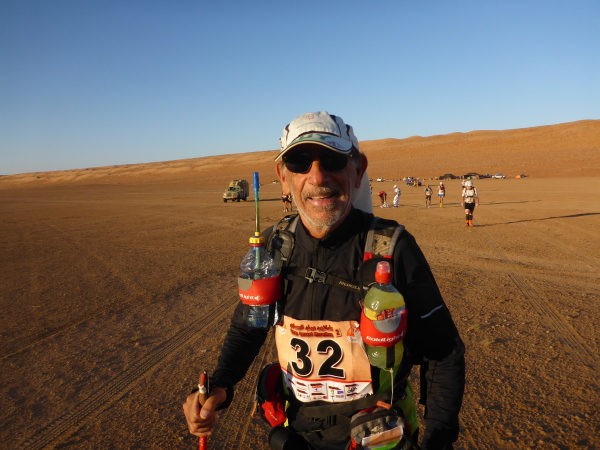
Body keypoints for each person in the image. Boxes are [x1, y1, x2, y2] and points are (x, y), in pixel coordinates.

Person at [183, 111, 465, 450]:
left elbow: (443, 352)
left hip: (380, 436)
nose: (317, 176)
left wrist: (438, 439)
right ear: (283, 176)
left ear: (357, 170)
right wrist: (220, 384)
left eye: (332, 160)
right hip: (299, 435)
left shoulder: (392, 248)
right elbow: (249, 326)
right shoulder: (273, 247)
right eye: (300, 162)